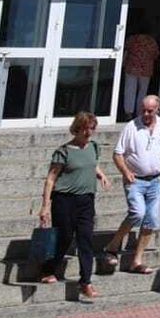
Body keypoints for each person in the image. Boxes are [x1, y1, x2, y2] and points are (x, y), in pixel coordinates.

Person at [37, 110, 111, 299]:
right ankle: (48, 268)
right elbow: (51, 179)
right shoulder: (63, 152)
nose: (88, 133)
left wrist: (101, 174)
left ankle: (85, 281)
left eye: (91, 129)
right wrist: (45, 206)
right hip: (64, 199)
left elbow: (92, 163)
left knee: (86, 239)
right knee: (65, 236)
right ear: (76, 129)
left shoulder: (93, 147)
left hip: (86, 200)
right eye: (85, 129)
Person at [102, 94, 160, 274]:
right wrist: (125, 171)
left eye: (150, 110)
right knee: (137, 213)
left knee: (150, 220)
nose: (146, 114)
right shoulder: (131, 127)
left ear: (158, 109)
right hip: (136, 180)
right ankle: (113, 245)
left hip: (154, 179)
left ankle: (137, 260)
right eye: (143, 110)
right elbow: (117, 154)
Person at [120, 17, 160, 121]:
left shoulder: (132, 39)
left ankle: (128, 113)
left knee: (130, 89)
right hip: (146, 69)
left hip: (131, 67)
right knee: (142, 91)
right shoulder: (151, 41)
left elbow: (124, 49)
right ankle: (140, 112)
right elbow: (155, 54)